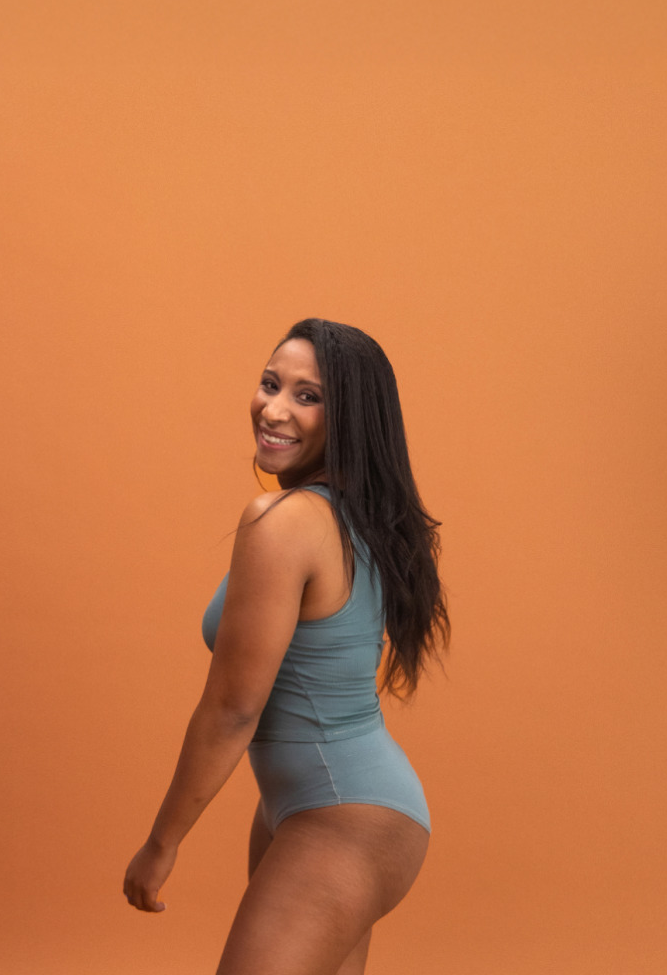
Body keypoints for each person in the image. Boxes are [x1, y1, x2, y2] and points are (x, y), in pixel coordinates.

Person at [123, 316, 449, 975]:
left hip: (342, 818)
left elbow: (233, 710)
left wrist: (162, 842)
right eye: (270, 384)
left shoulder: (283, 522)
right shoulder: (350, 517)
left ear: (351, 418)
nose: (273, 408)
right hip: (317, 811)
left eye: (307, 395)